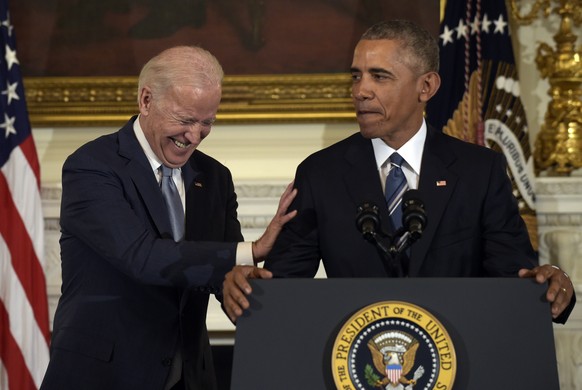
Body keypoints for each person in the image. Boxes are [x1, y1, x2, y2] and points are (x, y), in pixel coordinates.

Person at [223, 19, 576, 324]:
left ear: (426, 87)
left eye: (380, 77)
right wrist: (246, 287)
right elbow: (279, 288)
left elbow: (516, 278)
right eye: (356, 76)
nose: (361, 91)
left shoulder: (479, 171)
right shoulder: (321, 173)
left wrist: (550, 284)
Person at [40, 46, 296, 390]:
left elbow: (220, 271)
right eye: (185, 119)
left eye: (207, 122)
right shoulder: (92, 167)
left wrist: (244, 284)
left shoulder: (214, 176)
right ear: (146, 101)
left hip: (189, 377)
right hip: (104, 376)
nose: (194, 136)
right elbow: (141, 257)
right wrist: (251, 249)